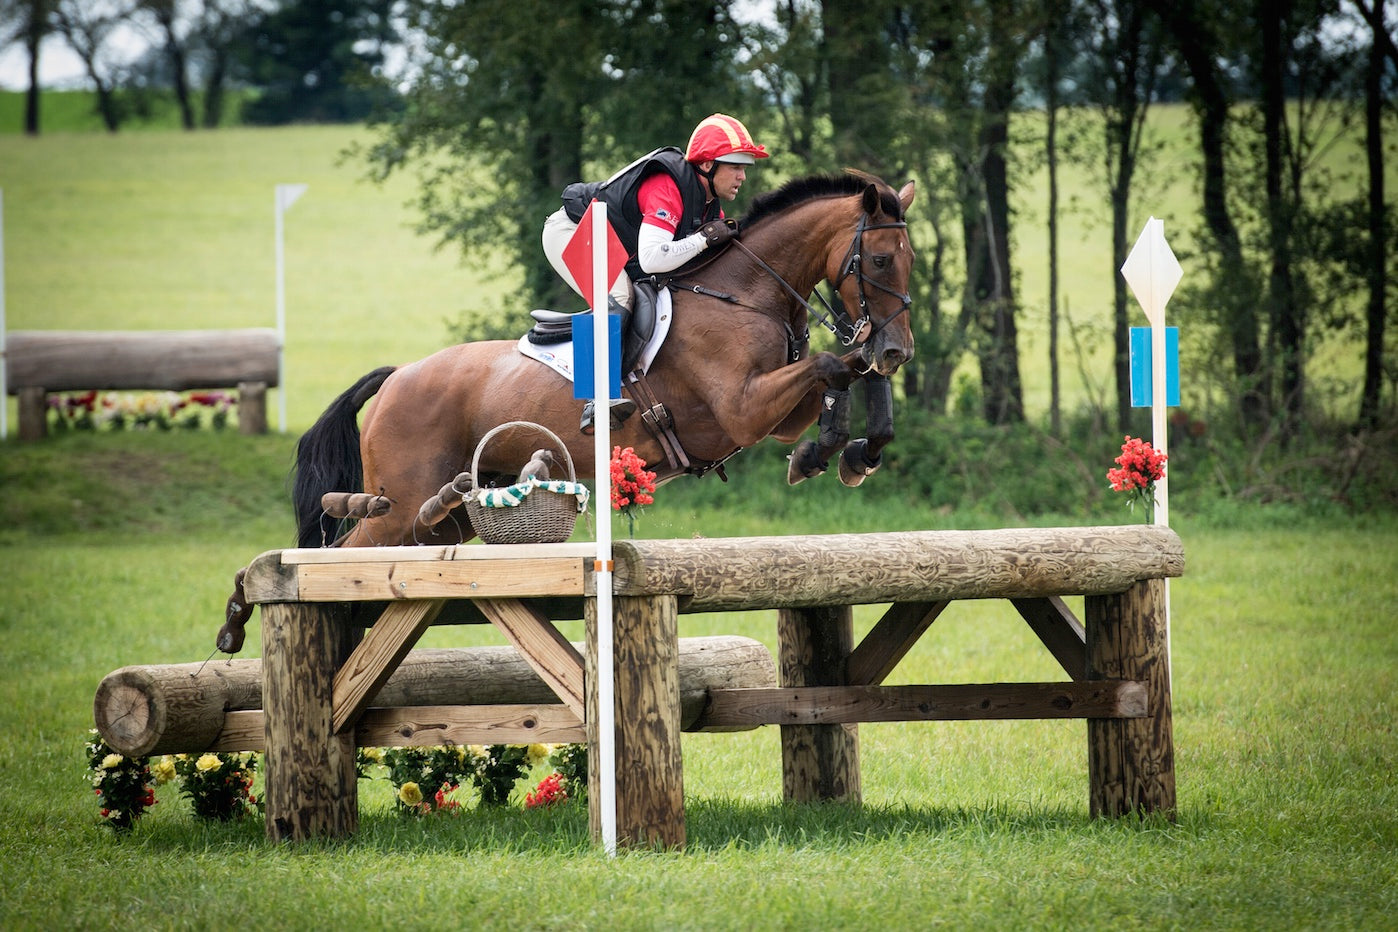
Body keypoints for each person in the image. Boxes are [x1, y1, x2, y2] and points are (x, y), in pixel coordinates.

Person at [541, 113, 770, 433]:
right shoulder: (668, 186)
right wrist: (704, 239)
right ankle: (595, 400)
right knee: (619, 295)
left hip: (615, 245)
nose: (742, 176)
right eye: (736, 166)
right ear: (707, 165)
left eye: (744, 168)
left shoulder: (708, 204)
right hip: (572, 231)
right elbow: (651, 259)